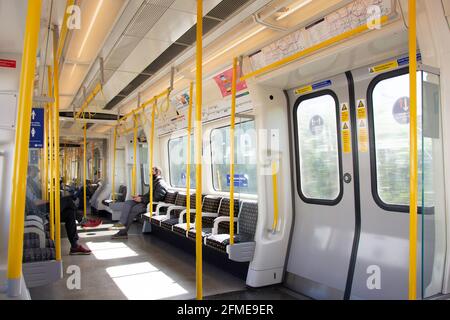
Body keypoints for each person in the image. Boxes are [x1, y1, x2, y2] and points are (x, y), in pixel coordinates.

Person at [26, 166, 91, 255]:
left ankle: (74, 246)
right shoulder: (25, 184)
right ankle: (82, 220)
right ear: (30, 171)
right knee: (67, 199)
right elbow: (36, 202)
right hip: (39, 212)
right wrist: (50, 201)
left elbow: (38, 194)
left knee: (70, 213)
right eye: (35, 172)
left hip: (40, 208)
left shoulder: (29, 182)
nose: (36, 174)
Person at [112, 166, 169, 239]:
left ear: (158, 173)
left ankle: (123, 232)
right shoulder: (154, 182)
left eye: (152, 172)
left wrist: (141, 200)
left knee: (134, 209)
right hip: (146, 202)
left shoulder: (161, 184)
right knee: (128, 203)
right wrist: (139, 197)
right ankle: (122, 222)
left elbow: (156, 198)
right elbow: (148, 195)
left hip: (152, 205)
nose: (150, 174)